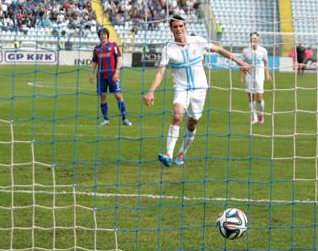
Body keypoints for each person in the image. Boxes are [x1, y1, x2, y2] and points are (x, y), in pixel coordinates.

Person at [143, 15, 252, 167]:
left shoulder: (197, 41)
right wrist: (151, 91)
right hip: (181, 88)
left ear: (185, 26)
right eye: (175, 27)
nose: (179, 29)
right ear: (171, 29)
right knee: (177, 116)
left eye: (181, 26)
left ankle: (182, 152)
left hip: (200, 89)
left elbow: (219, 49)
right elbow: (160, 72)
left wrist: (240, 62)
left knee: (192, 123)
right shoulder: (168, 49)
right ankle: (168, 153)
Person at [89, 27, 132, 126]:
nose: (103, 36)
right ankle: (106, 119)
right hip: (101, 76)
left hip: (112, 75)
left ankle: (124, 118)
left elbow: (119, 59)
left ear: (107, 35)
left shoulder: (113, 46)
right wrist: (91, 73)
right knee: (103, 97)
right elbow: (94, 61)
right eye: (101, 34)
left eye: (104, 34)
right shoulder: (96, 48)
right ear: (99, 36)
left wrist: (117, 72)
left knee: (118, 95)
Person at [240, 32, 271, 124]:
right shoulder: (245, 51)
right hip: (249, 77)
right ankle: (254, 117)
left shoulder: (263, 50)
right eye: (252, 38)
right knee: (250, 97)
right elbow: (242, 64)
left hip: (259, 77)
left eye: (255, 38)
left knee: (259, 98)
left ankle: (261, 114)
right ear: (250, 39)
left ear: (258, 39)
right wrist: (241, 77)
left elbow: (266, 63)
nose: (253, 40)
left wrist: (267, 74)